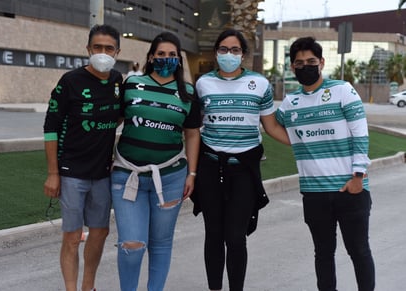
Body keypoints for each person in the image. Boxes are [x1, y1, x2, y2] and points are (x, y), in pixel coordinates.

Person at [275, 36, 375, 291]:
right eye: (299, 63)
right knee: (323, 254)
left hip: (349, 189)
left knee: (359, 251)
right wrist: (299, 141)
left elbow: (360, 133)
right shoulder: (290, 103)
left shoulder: (342, 90)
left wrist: (358, 177)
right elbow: (274, 127)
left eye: (310, 61)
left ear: (321, 62)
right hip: (314, 193)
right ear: (292, 68)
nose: (305, 66)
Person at [193, 29, 289, 291]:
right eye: (223, 49)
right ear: (216, 52)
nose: (229, 54)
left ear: (243, 55)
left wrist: (306, 144)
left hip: (244, 170)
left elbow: (270, 126)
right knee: (213, 235)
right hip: (210, 168)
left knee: (236, 237)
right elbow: (193, 128)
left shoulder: (259, 84)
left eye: (235, 50)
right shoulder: (203, 84)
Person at [111, 31, 201, 291]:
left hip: (171, 177)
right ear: (151, 57)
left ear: (179, 59)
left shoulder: (188, 93)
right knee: (132, 245)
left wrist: (192, 174)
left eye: (172, 54)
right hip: (127, 175)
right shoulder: (131, 84)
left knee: (161, 242)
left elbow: (192, 134)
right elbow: (112, 123)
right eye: (160, 54)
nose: (166, 58)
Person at [43, 24, 123, 291]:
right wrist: (53, 173)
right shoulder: (70, 81)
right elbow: (50, 127)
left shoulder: (117, 81)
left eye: (108, 48)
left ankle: (88, 286)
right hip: (71, 172)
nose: (102, 53)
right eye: (97, 47)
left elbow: (118, 116)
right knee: (72, 236)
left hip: (102, 173)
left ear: (117, 51)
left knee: (100, 233)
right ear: (88, 49)